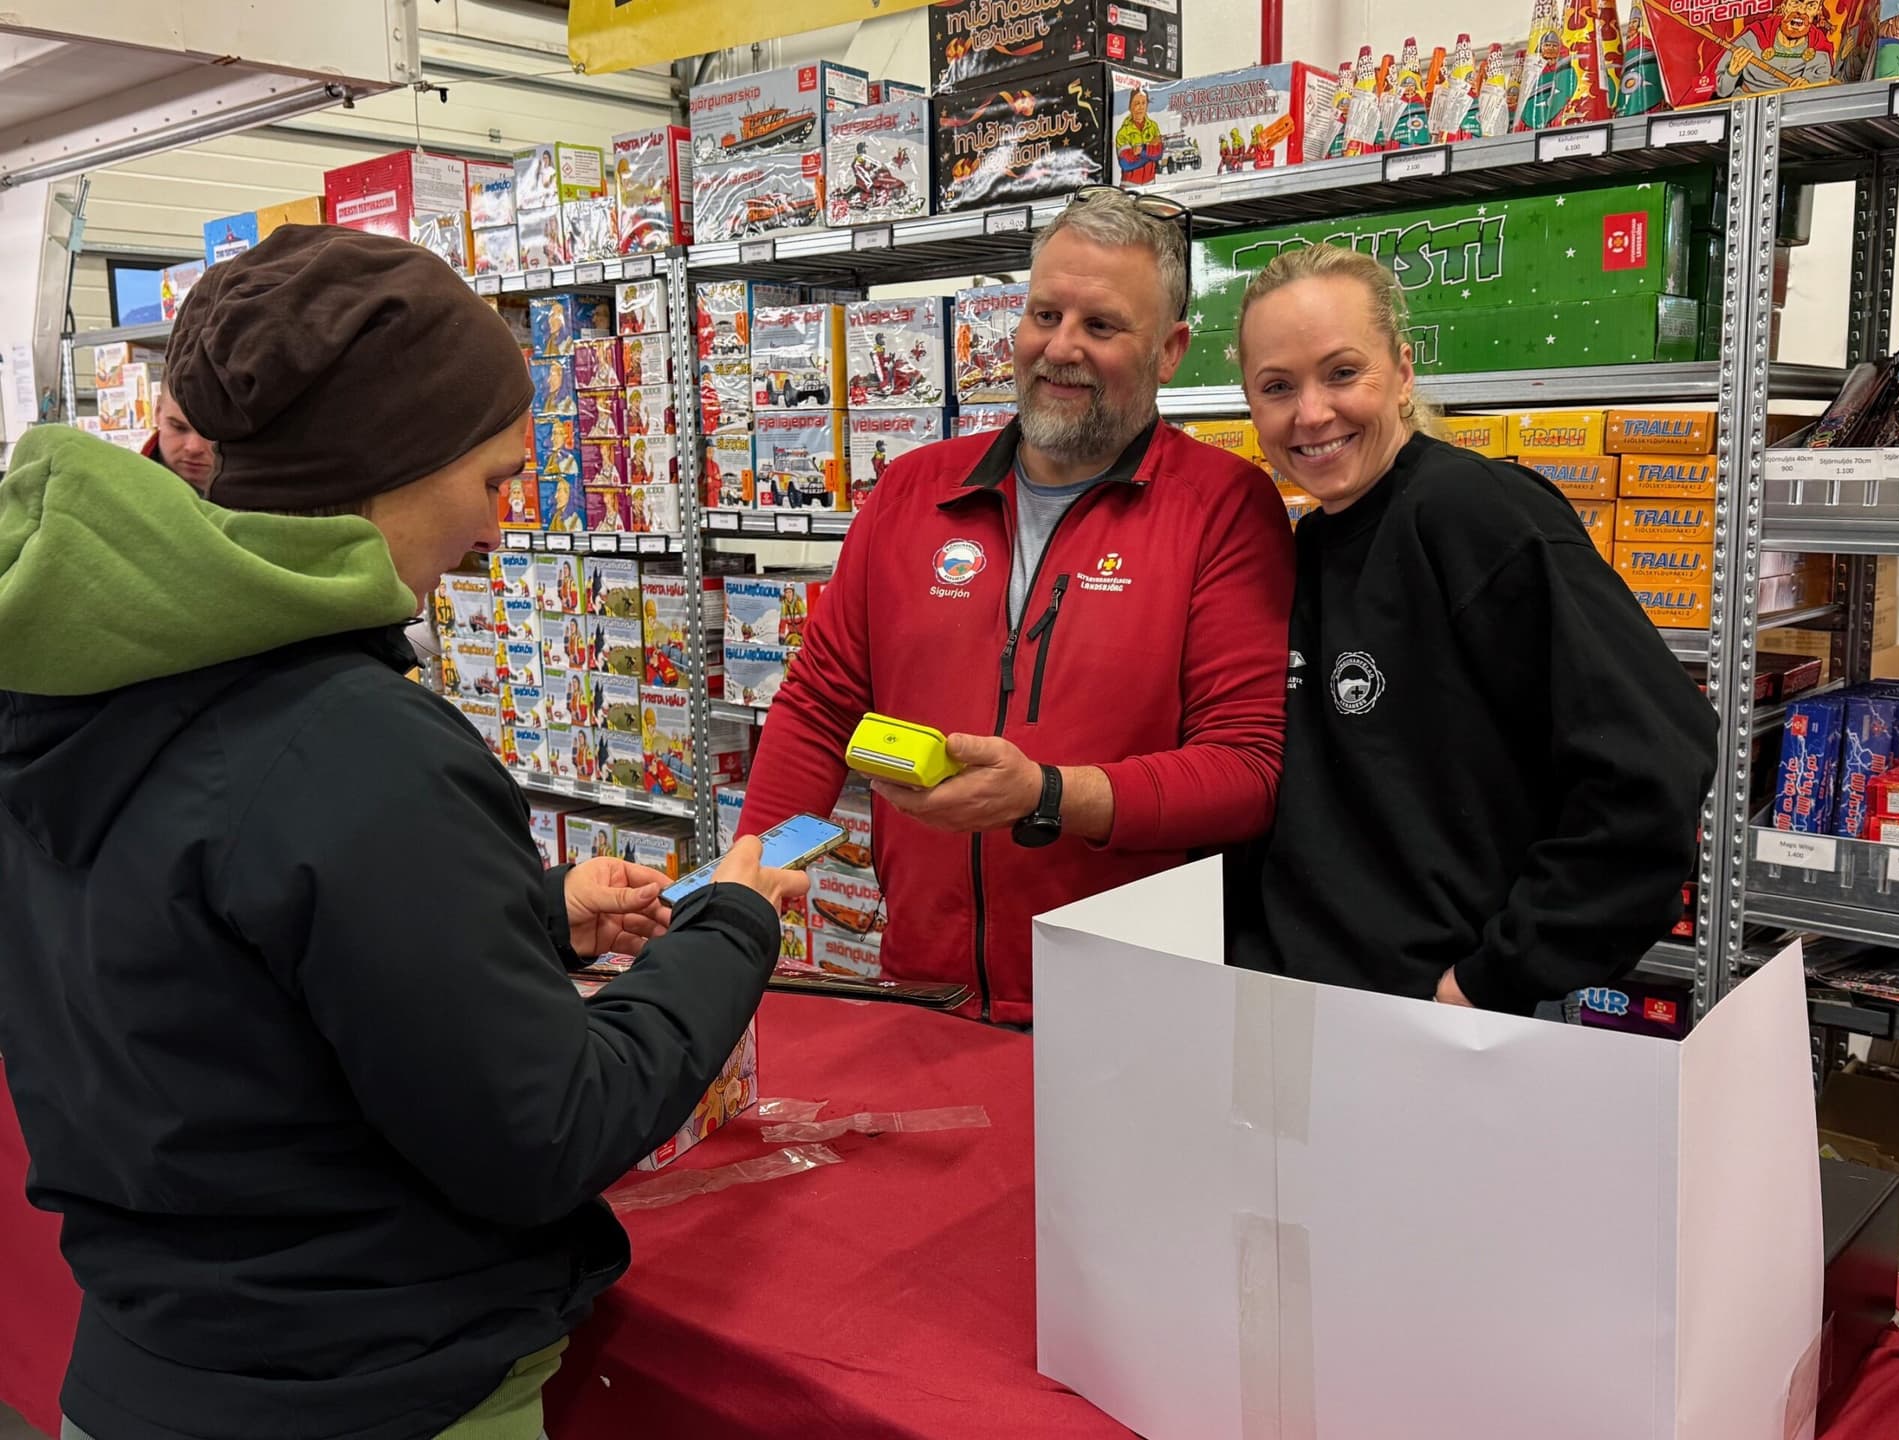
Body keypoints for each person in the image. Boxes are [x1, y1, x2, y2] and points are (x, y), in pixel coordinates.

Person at [0, 225, 806, 1440]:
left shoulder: (74, 681)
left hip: (149, 1371)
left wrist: (526, 914)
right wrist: (733, 926)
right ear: (377, 467)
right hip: (375, 1389)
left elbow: (201, 961)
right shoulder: (349, 738)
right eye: (488, 483)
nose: (495, 534)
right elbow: (551, 1127)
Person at [738, 186, 1295, 1024]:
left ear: (1171, 350)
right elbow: (819, 711)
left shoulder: (1222, 506)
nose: (1060, 347)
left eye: (1101, 326)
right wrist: (751, 883)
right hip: (922, 992)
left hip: (1130, 1012)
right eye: (1044, 315)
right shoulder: (913, 491)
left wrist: (1048, 794)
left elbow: (1246, 769)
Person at [1224, 243, 1718, 1013]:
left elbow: (1653, 758)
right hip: (1301, 1015)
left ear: (1404, 371)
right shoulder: (1308, 545)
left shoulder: (1473, 516)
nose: (1311, 413)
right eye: (1277, 386)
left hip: (1433, 1029)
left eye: (1342, 372)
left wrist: (1494, 978)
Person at [1717, 0, 1833, 96]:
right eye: (1796, 2)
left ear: (1817, 11)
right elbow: (1722, 91)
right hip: (1744, 103)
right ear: (1784, 7)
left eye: (1811, 5)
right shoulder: (1754, 36)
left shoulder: (1819, 46)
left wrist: (1808, 87)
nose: (1801, 11)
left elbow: (1819, 93)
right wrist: (1731, 73)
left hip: (1790, 110)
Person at [141, 388, 215, 490]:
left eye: (212, 432)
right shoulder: (120, 496)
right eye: (178, 427)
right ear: (158, 412)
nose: (193, 448)